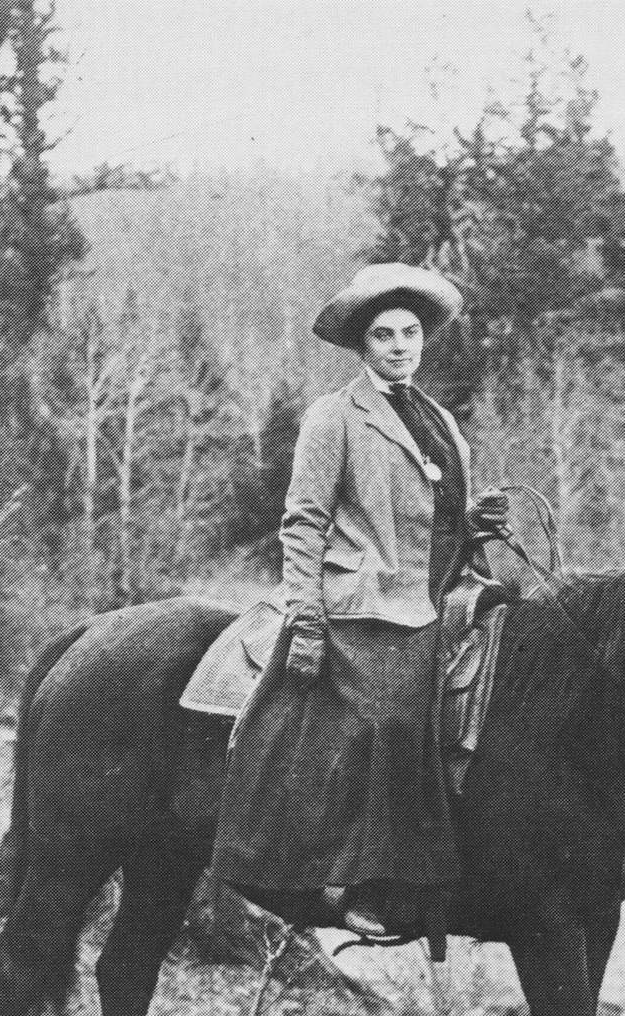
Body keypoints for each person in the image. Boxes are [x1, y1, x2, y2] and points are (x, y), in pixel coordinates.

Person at [212, 263, 509, 949]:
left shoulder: (436, 418)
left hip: (446, 593)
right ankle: (366, 882)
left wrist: (474, 518)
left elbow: (434, 514)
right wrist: (307, 621)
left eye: (410, 333)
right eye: (384, 335)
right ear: (361, 345)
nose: (400, 346)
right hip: (368, 604)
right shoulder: (335, 417)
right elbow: (304, 522)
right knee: (394, 713)